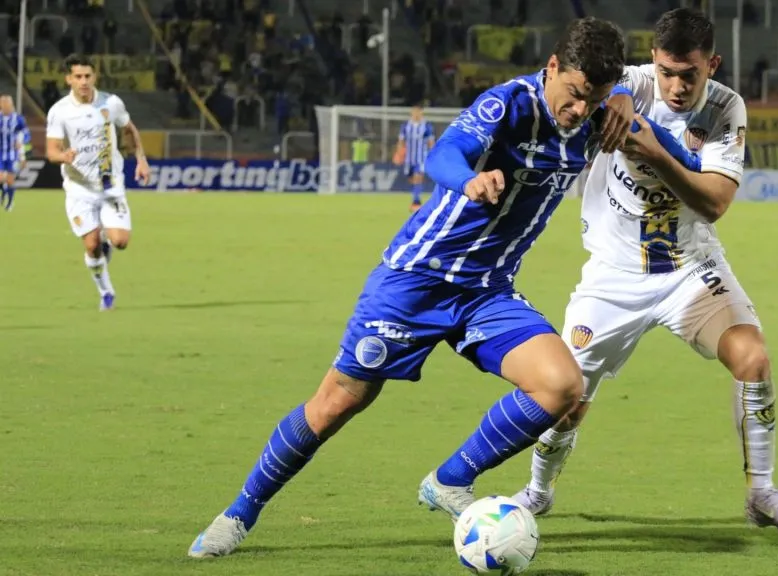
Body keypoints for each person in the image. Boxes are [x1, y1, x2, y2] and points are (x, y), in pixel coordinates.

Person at [187, 17, 633, 559]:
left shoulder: (601, 115)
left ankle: (448, 480)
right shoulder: (508, 104)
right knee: (337, 403)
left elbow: (640, 83)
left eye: (597, 98)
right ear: (553, 68)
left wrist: (627, 95)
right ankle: (239, 513)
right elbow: (443, 154)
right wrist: (467, 178)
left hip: (487, 291)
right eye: (576, 94)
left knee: (562, 386)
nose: (582, 110)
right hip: (415, 280)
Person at [511, 8, 778, 535]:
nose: (676, 87)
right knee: (567, 402)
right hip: (612, 275)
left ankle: (762, 492)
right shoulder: (624, 83)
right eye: (667, 72)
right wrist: (621, 97)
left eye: (690, 74)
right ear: (653, 60)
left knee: (753, 357)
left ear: (712, 65)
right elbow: (593, 91)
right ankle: (537, 492)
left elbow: (717, 201)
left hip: (688, 268)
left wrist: (657, 151)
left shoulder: (726, 108)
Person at [45, 54, 151, 311]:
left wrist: (141, 159)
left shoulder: (111, 103)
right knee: (91, 246)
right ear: (68, 79)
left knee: (121, 242)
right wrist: (63, 156)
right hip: (79, 189)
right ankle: (106, 292)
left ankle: (105, 234)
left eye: (88, 76)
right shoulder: (60, 111)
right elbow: (51, 150)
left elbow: (129, 129)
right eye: (78, 77)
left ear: (95, 77)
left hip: (110, 184)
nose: (83, 82)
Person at [393, 104, 435, 211]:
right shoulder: (406, 126)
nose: (416, 113)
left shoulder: (426, 126)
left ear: (421, 112)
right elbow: (401, 141)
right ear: (411, 112)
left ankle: (416, 202)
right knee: (411, 179)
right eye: (414, 111)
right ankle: (415, 198)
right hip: (409, 159)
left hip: (421, 157)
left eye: (418, 111)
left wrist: (433, 154)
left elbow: (431, 142)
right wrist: (398, 154)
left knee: (418, 177)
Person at [0, 94, 29, 212]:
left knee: (10, 179)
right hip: (0, 154)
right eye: (3, 103)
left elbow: (26, 133)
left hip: (13, 155)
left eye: (8, 103)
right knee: (1, 177)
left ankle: (10, 202)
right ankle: (4, 192)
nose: (6, 106)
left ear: (11, 105)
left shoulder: (18, 119)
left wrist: (22, 143)